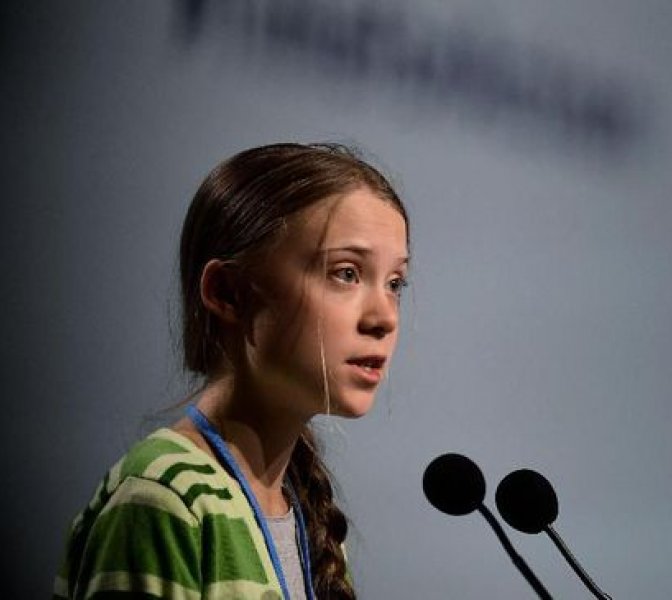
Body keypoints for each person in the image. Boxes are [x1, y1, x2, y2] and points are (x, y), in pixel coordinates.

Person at [53, 143, 410, 599]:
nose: (385, 317)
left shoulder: (315, 529)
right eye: (345, 273)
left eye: (395, 283)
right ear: (228, 293)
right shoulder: (166, 499)